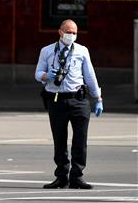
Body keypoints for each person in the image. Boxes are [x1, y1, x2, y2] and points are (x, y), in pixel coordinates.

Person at [35, 19, 103, 189]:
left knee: (80, 139)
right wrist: (46, 76)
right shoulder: (47, 50)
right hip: (56, 99)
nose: (71, 35)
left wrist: (98, 98)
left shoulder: (82, 51)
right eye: (68, 32)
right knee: (60, 140)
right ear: (60, 32)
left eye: (74, 33)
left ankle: (77, 176)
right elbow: (38, 73)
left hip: (78, 99)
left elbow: (90, 75)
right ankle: (61, 176)